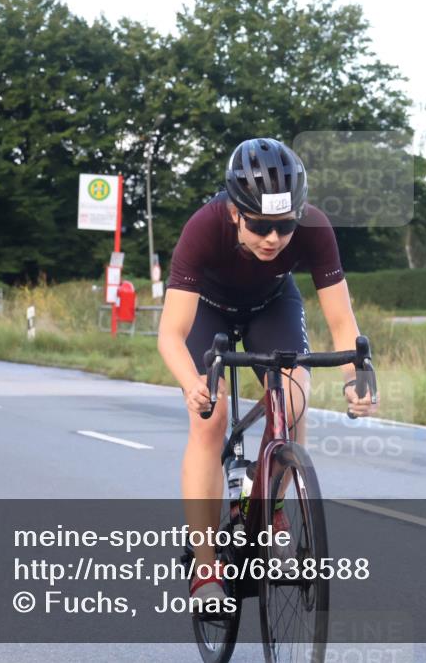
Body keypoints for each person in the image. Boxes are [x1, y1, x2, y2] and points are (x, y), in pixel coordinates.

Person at [157, 137, 378, 603]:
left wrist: (356, 380)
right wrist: (192, 384)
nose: (274, 239)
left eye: (285, 226)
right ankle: (205, 570)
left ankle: (271, 499)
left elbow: (342, 322)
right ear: (236, 212)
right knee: (210, 419)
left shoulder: (316, 229)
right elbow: (171, 334)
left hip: (270, 305)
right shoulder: (203, 228)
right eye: (259, 226)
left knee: (294, 396)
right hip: (208, 312)